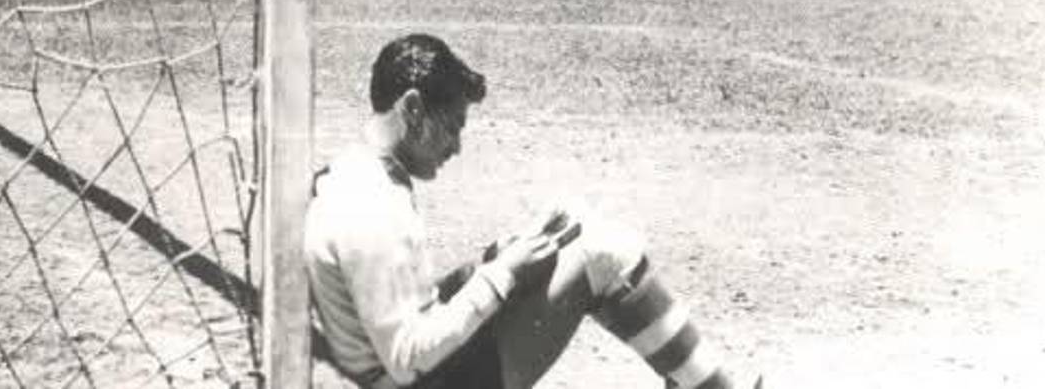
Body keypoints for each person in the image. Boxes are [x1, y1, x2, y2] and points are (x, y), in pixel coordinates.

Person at [305, 33, 761, 389]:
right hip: (418, 382)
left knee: (578, 230)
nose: (457, 147)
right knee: (603, 253)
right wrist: (501, 274)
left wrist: (482, 267)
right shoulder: (371, 206)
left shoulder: (356, 174)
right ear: (413, 109)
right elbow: (407, 358)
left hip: (405, 377)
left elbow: (394, 312)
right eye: (452, 127)